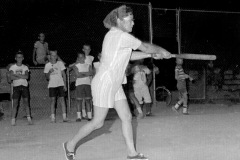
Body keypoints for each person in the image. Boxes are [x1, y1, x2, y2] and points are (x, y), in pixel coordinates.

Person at [63, 5, 172, 160]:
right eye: (130, 20)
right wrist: (160, 50)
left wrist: (153, 54)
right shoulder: (122, 36)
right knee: (98, 122)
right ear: (120, 21)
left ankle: (131, 153)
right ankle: (69, 145)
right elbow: (146, 46)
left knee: (127, 117)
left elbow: (129, 55)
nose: (133, 23)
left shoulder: (114, 35)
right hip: (105, 83)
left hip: (115, 83)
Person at [44, 50, 69, 123]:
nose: (54, 57)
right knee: (53, 100)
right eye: (52, 55)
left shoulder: (60, 63)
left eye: (55, 55)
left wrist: (65, 84)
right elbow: (47, 78)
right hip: (52, 85)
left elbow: (64, 74)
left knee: (62, 100)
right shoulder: (47, 65)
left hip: (60, 84)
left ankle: (64, 117)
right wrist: (49, 72)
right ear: (49, 56)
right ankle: (53, 117)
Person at [9, 51, 32, 126]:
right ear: (15, 58)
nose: (19, 58)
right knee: (15, 103)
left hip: (24, 86)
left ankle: (29, 119)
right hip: (16, 87)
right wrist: (21, 76)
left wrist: (16, 75)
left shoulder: (25, 67)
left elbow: (26, 76)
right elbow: (11, 77)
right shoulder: (12, 67)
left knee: (26, 103)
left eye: (21, 57)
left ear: (23, 58)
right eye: (18, 57)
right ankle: (13, 120)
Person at [73, 52, 93, 122]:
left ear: (85, 58)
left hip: (87, 84)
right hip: (79, 84)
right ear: (78, 58)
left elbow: (91, 72)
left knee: (88, 100)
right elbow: (77, 75)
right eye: (79, 57)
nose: (81, 59)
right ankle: (79, 116)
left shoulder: (88, 65)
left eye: (82, 57)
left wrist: (82, 73)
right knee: (79, 100)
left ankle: (89, 116)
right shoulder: (76, 66)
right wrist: (86, 73)